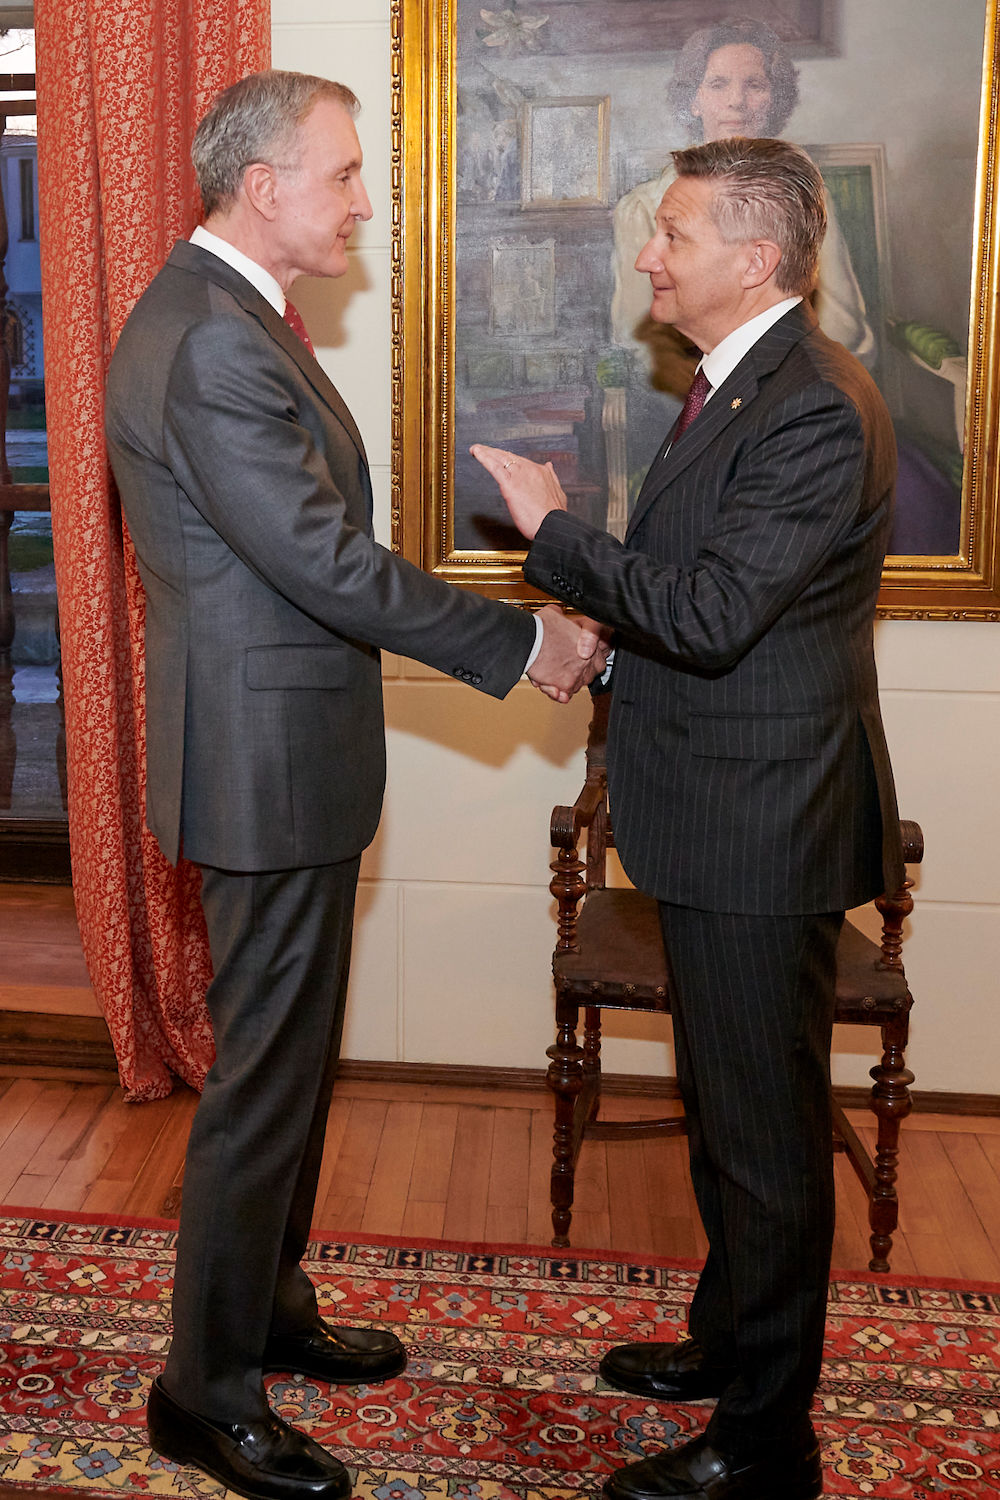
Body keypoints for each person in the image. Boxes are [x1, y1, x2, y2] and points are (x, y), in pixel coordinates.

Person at [105, 70, 606, 1500]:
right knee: (262, 1084)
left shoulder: (229, 316)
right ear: (262, 185)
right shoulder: (211, 339)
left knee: (290, 1066)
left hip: (283, 756)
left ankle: (266, 1312)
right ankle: (203, 1393)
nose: (362, 204)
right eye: (341, 174)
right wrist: (523, 642)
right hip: (260, 767)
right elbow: (322, 561)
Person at [473, 136, 903, 1500]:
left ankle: (770, 1443)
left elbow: (714, 615)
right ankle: (729, 1343)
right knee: (727, 1115)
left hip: (762, 827)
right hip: (721, 810)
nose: (648, 255)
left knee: (766, 1145)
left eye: (673, 233)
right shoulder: (734, 384)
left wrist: (554, 535)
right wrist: (606, 643)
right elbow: (707, 597)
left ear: (756, 259)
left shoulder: (813, 406)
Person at [613, 18, 874, 369]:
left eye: (755, 85)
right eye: (718, 84)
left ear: (774, 100)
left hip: (798, 380)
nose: (737, 101)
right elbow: (642, 337)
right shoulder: (642, 209)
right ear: (694, 100)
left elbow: (842, 326)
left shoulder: (808, 197)